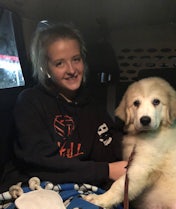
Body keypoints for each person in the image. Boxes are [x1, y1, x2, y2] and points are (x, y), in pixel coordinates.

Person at [1, 23, 127, 191]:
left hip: (82, 187)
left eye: (76, 59)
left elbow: (110, 147)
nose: (71, 70)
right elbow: (42, 164)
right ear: (46, 67)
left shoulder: (91, 105)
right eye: (60, 63)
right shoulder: (30, 102)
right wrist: (106, 170)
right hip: (35, 187)